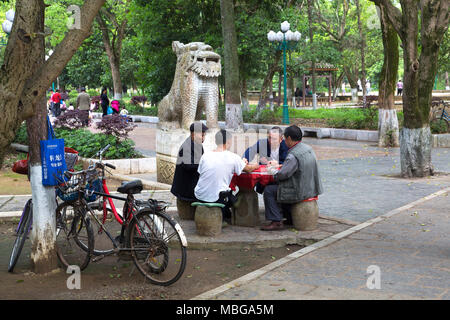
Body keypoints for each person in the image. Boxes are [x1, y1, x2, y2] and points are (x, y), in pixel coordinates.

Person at [261, 125, 323, 231]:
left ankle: (276, 221)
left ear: (289, 138)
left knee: (269, 190)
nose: (284, 141)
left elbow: (282, 175)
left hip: (299, 190)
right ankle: (289, 217)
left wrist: (272, 171)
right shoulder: (307, 149)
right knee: (277, 188)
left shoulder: (293, 155)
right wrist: (282, 166)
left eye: (285, 138)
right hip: (311, 187)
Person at [194, 129, 259, 223]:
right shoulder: (233, 157)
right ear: (228, 142)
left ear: (216, 141)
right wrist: (256, 165)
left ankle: (225, 215)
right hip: (216, 198)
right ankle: (225, 217)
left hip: (199, 194)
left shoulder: (205, 156)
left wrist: (240, 163)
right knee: (231, 195)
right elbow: (248, 169)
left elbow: (200, 172)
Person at [171, 122, 208, 202]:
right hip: (185, 191)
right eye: (202, 135)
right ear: (193, 134)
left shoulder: (198, 145)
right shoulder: (186, 147)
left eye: (204, 135)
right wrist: (205, 164)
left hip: (192, 187)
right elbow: (190, 166)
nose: (203, 137)